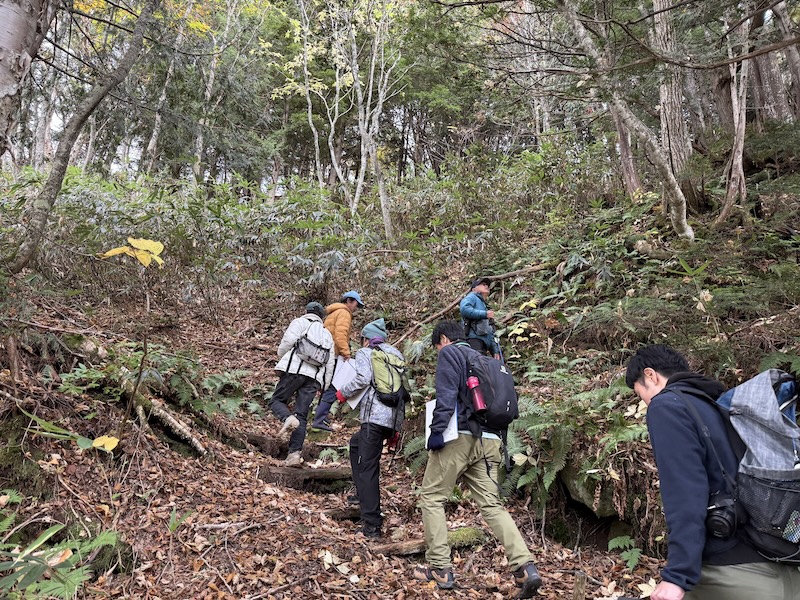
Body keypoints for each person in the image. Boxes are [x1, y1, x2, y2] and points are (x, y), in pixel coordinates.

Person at [625, 344, 800, 600]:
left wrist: (677, 577)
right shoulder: (717, 406)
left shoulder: (667, 406)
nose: (645, 401)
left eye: (640, 393)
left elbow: (685, 492)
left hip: (731, 572)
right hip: (777, 562)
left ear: (650, 375)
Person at [415, 320, 542, 598]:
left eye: (437, 347)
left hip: (460, 437)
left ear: (444, 339)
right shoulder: (486, 360)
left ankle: (439, 567)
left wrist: (436, 433)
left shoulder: (451, 354)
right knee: (492, 505)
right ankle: (524, 568)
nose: (439, 352)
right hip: (492, 442)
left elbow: (446, 398)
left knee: (432, 497)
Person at [336, 318, 404, 539]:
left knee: (368, 470)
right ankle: (360, 495)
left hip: (373, 420)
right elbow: (402, 393)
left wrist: (342, 392)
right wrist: (396, 429)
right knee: (355, 445)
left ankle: (372, 525)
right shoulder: (396, 354)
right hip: (389, 420)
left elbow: (363, 379)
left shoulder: (366, 353)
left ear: (366, 339)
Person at [269, 302, 335, 467]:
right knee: (302, 415)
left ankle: (288, 418)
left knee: (276, 401)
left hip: (294, 371)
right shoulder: (327, 334)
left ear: (307, 312)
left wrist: (282, 360)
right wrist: (324, 386)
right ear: (321, 316)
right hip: (314, 379)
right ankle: (294, 455)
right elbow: (330, 363)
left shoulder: (300, 322)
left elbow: (287, 343)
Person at [311, 290, 365, 431]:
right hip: (334, 355)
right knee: (334, 387)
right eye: (355, 304)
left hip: (326, 354)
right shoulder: (344, 313)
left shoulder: (333, 312)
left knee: (327, 385)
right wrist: (346, 353)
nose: (355, 308)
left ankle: (320, 416)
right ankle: (320, 419)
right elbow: (340, 335)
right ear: (349, 301)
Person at [459, 278, 501, 359]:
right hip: (473, 340)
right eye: (483, 284)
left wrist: (495, 350)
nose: (487, 286)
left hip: (483, 343)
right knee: (477, 367)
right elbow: (464, 309)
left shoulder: (484, 304)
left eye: (487, 285)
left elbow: (490, 329)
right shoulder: (472, 297)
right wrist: (484, 314)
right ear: (474, 289)